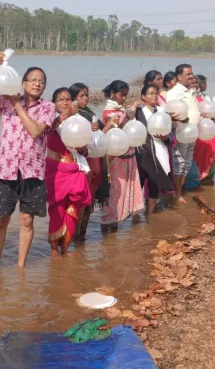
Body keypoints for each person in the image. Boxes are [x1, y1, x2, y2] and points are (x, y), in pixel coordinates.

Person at [0, 55, 57, 270]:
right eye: (34, 80)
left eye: (42, 81)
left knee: (27, 221)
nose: (38, 84)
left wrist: (17, 104)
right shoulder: (5, 100)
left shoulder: (47, 108)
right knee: (2, 220)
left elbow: (36, 131)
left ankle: (20, 267)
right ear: (23, 83)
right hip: (6, 171)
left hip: (33, 172)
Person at [45, 88, 92, 255]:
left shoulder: (80, 122)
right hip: (55, 171)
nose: (64, 103)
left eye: (67, 99)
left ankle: (65, 245)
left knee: (72, 209)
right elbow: (42, 135)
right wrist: (62, 118)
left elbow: (88, 149)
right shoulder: (49, 120)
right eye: (60, 100)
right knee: (56, 210)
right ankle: (53, 250)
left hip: (74, 170)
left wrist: (82, 149)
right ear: (54, 103)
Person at [100, 80, 145, 229]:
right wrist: (129, 111)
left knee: (128, 191)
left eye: (125, 95)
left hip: (128, 157)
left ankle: (120, 220)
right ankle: (109, 225)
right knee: (116, 193)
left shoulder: (120, 110)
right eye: (121, 95)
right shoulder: (109, 112)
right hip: (117, 159)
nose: (124, 98)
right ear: (112, 94)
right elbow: (116, 128)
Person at [69, 83, 109, 238]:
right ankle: (75, 237)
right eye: (81, 96)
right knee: (81, 202)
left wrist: (99, 130)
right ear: (73, 99)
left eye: (86, 95)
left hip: (96, 163)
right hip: (85, 164)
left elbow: (97, 138)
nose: (86, 98)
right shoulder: (74, 117)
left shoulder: (89, 114)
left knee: (89, 202)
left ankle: (81, 236)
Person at [135, 83, 174, 214]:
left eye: (156, 93)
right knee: (139, 181)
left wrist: (165, 138)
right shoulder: (138, 112)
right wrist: (134, 105)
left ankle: (150, 211)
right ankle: (136, 213)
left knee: (154, 181)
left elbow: (169, 133)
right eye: (151, 93)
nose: (154, 96)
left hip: (158, 150)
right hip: (142, 152)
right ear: (143, 96)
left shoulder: (162, 112)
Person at [164, 64, 200, 198]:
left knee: (187, 163)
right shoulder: (174, 93)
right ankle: (177, 194)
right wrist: (182, 120)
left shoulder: (189, 91)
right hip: (182, 133)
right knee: (179, 163)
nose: (191, 76)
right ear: (179, 77)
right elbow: (173, 113)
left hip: (192, 133)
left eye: (192, 73)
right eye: (188, 74)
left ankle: (180, 191)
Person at [192, 75, 215, 183]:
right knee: (199, 155)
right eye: (193, 82)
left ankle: (207, 177)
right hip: (195, 131)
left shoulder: (203, 97)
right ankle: (199, 178)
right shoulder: (187, 97)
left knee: (211, 152)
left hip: (206, 131)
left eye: (196, 83)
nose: (194, 85)